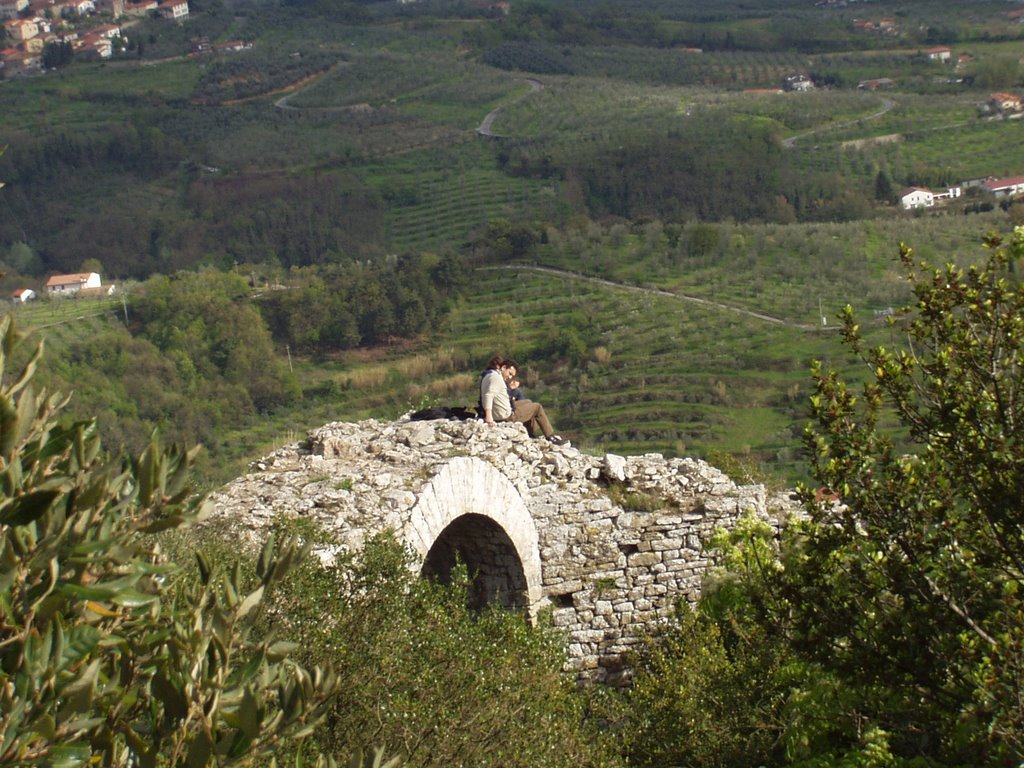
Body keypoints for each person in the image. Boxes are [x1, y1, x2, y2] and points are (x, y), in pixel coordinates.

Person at [479, 356, 567, 446]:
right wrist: (489, 416)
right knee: (537, 407)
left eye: (511, 376)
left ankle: (530, 432)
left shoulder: (490, 374)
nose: (509, 377)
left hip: (500, 410)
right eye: (509, 373)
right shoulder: (496, 378)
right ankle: (549, 436)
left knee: (528, 402)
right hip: (505, 415)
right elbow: (488, 395)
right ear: (503, 367)